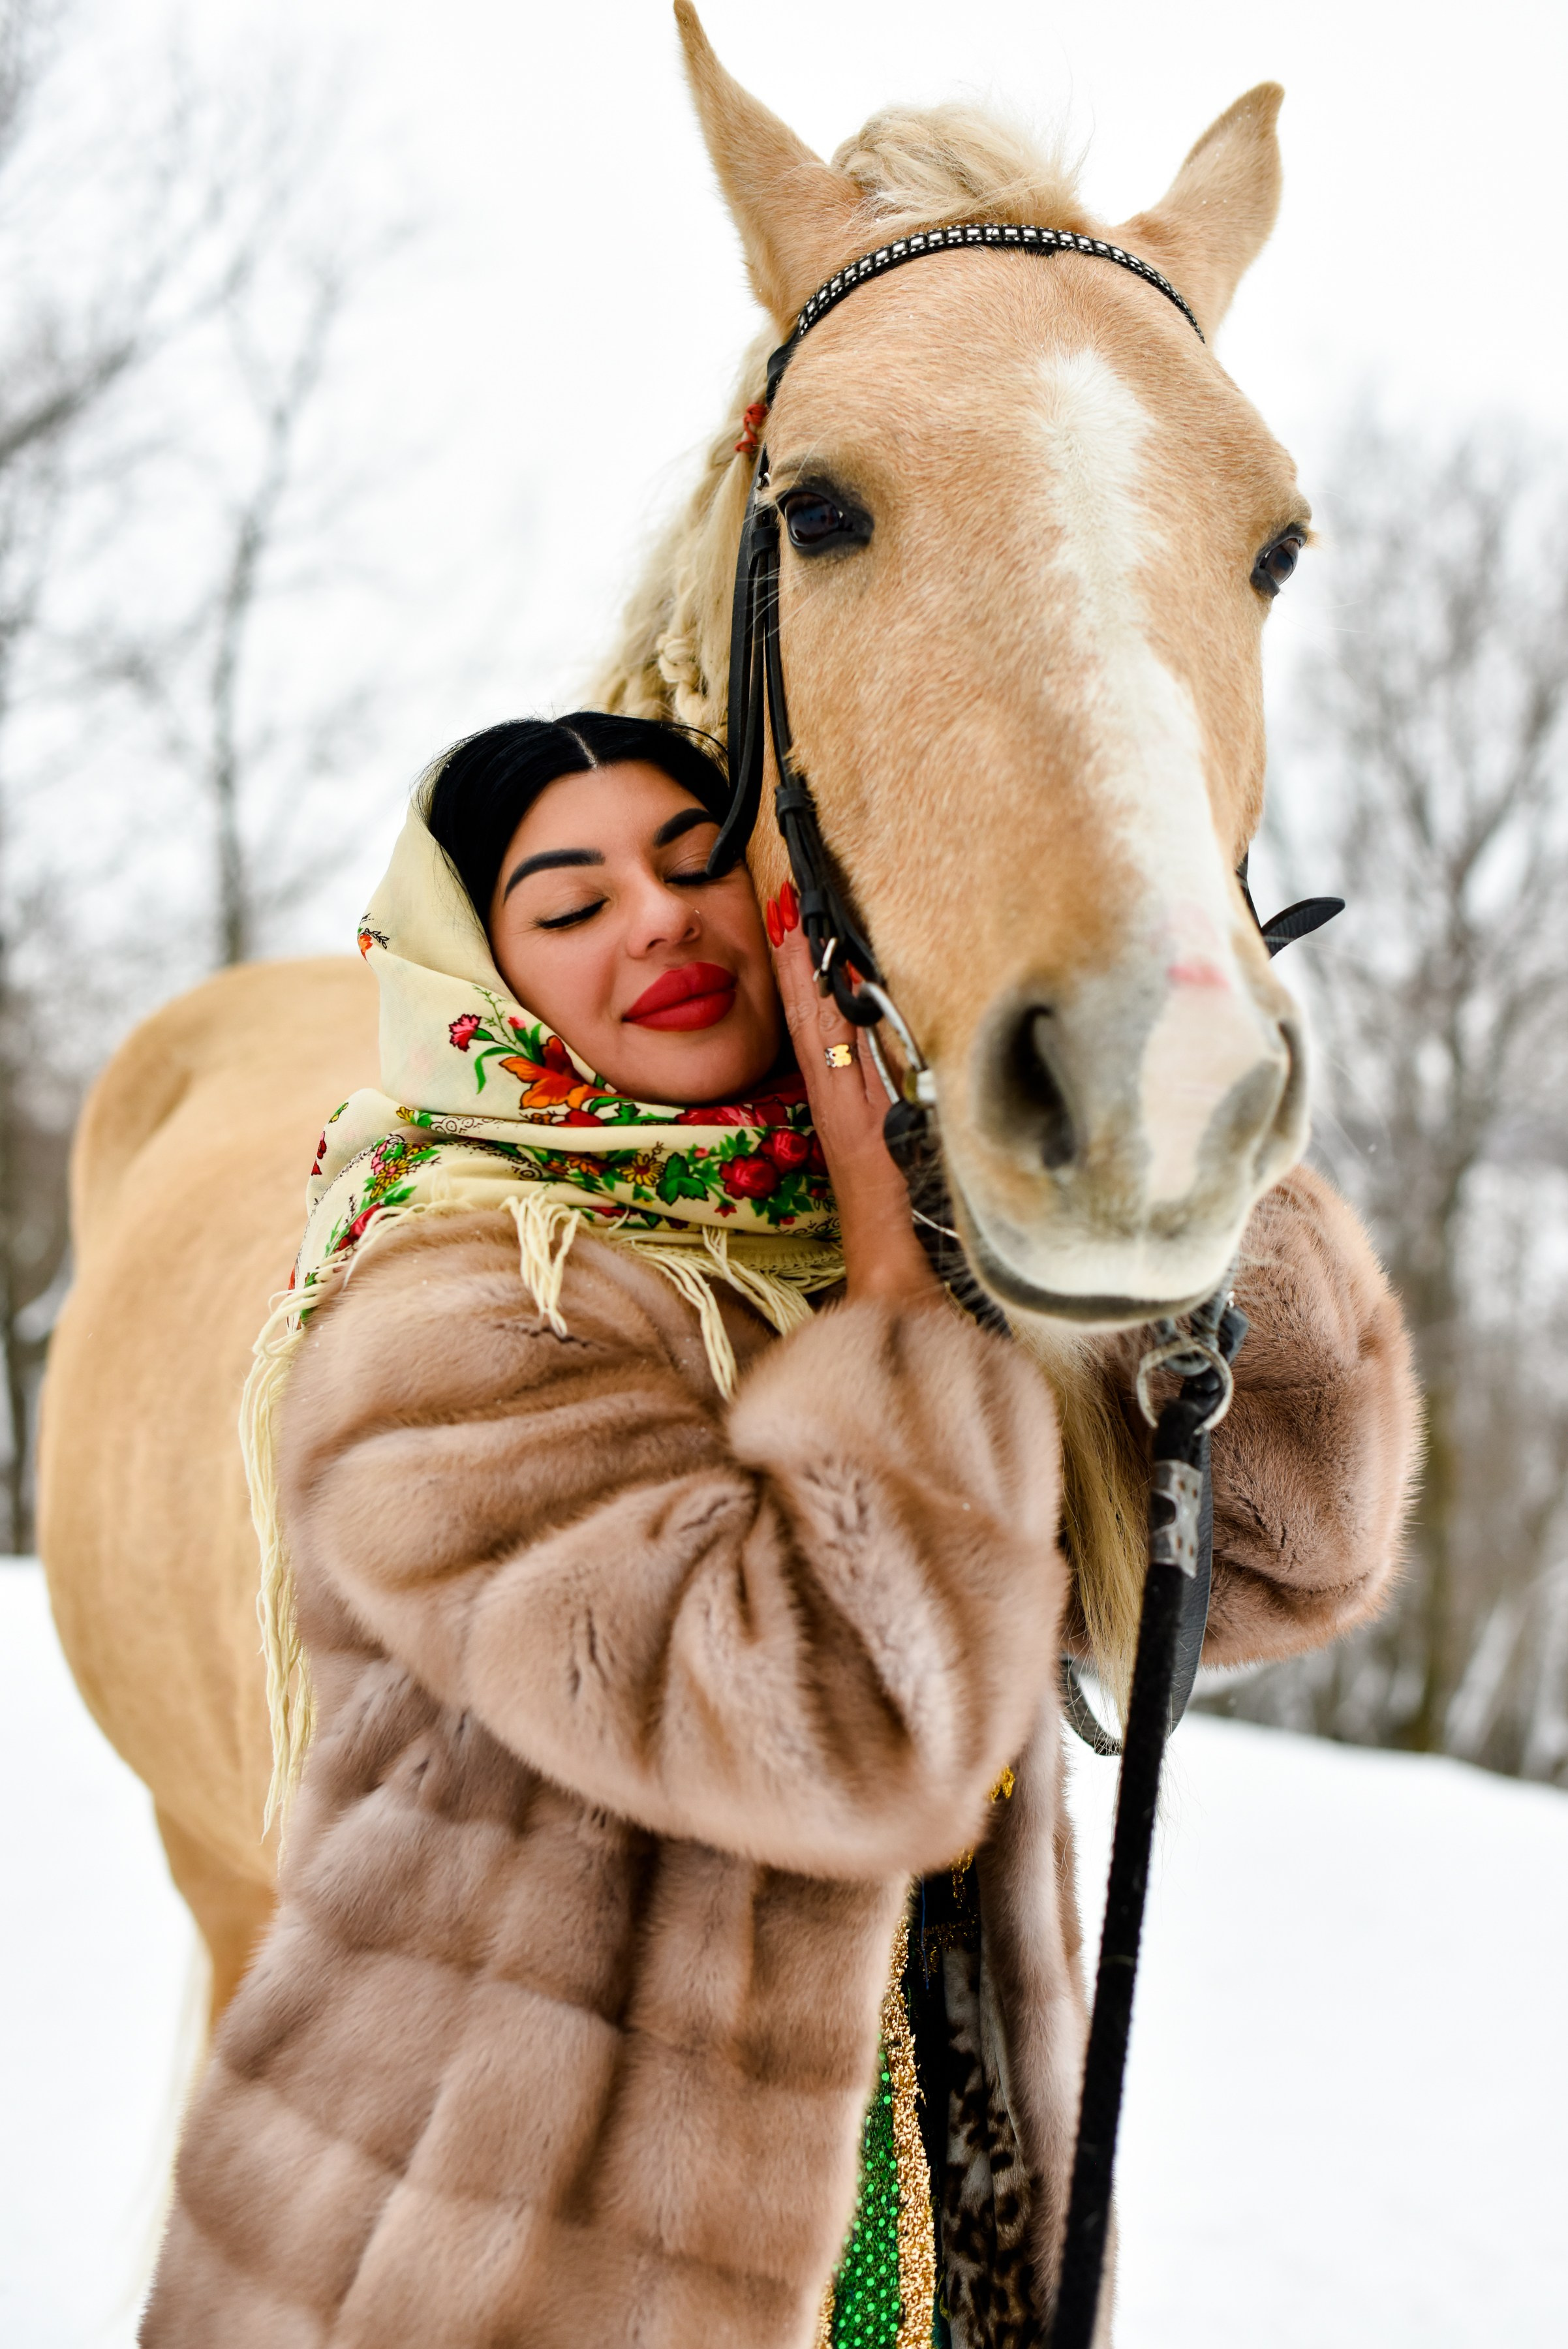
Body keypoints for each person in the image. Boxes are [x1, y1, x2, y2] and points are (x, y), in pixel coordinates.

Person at [141, 713, 1417, 2349]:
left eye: (697, 868)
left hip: (928, 2214)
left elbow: (1276, 1554)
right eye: (570, 903)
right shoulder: (460, 1314)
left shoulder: (917, 1252)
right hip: (521, 2255)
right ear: (478, 979)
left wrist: (1179, 1149)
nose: (655, 921)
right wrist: (889, 1298)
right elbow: (831, 1723)